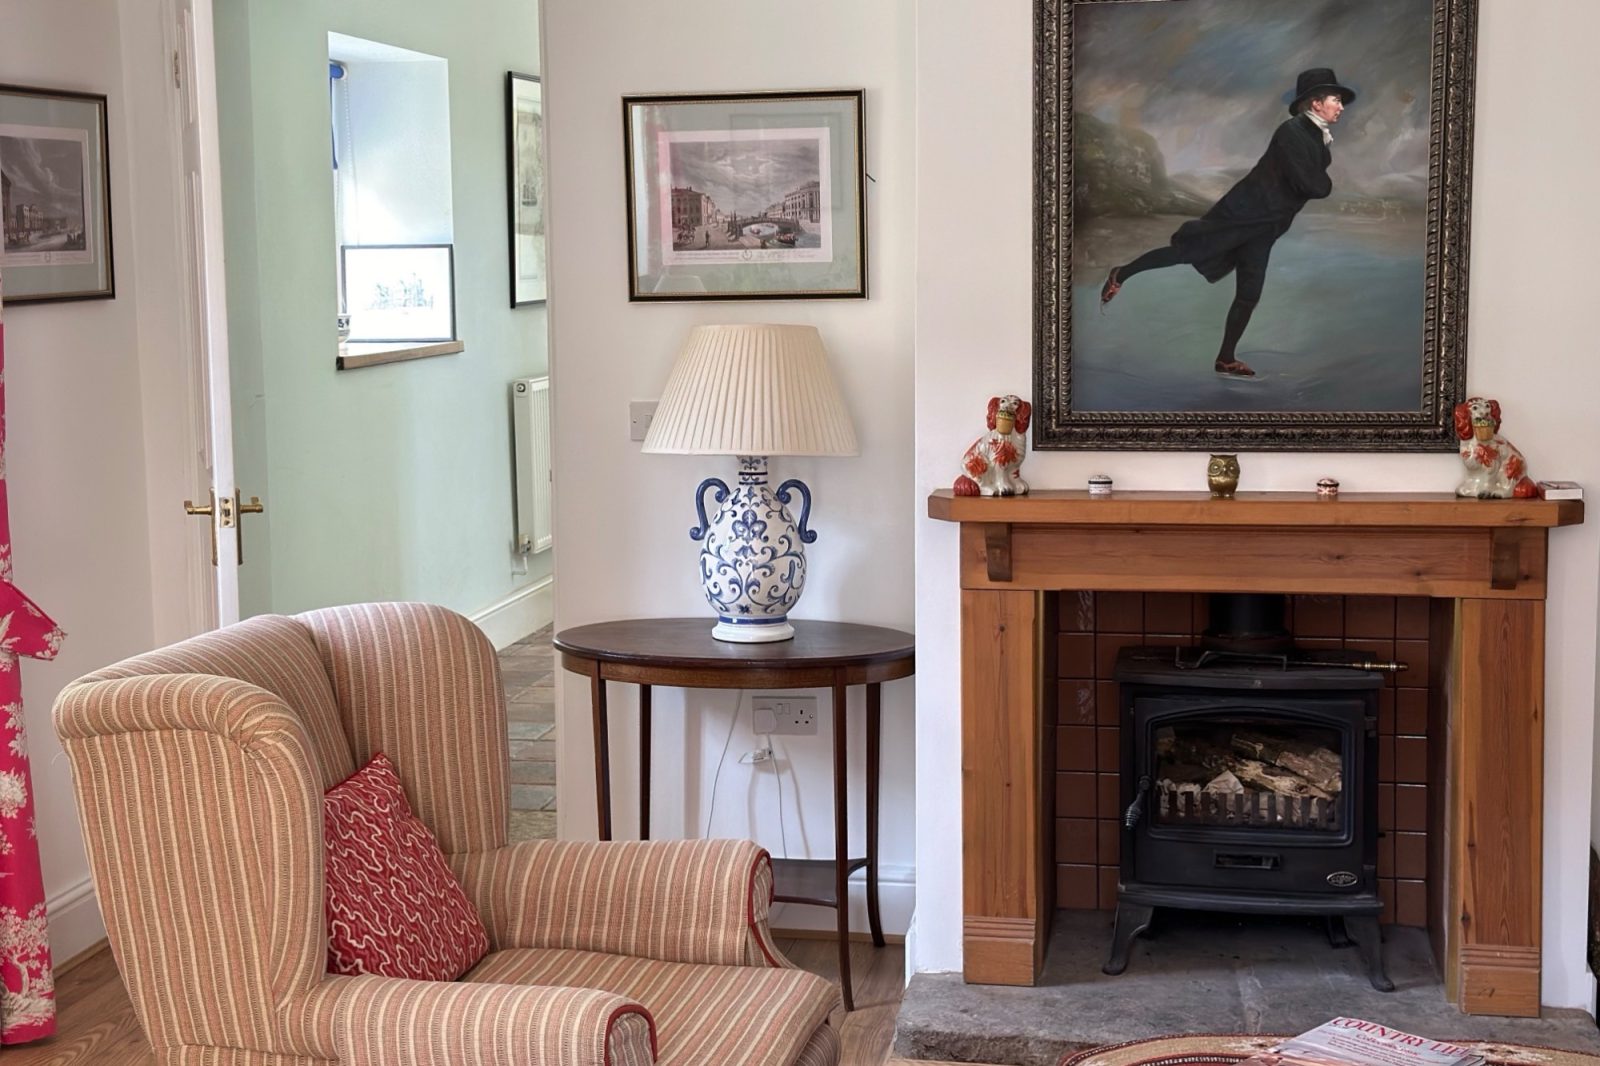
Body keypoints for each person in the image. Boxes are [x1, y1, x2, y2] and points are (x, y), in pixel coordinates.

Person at [1099, 68, 1355, 377]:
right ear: (1316, 103)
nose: (1341, 107)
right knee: (1186, 252)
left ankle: (1225, 359)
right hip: (1243, 215)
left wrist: (1317, 183)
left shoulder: (1314, 135)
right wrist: (1323, 184)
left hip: (1266, 224)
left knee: (1250, 292)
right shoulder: (1292, 132)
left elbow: (1309, 181)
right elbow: (1311, 185)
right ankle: (1121, 273)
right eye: (1336, 100)